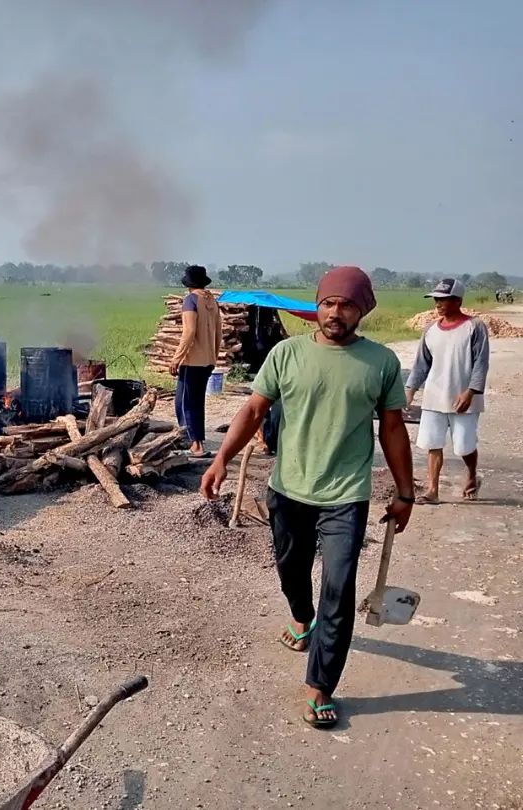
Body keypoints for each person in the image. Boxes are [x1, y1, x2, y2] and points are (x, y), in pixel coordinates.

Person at [200, 265, 414, 729]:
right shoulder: (287, 353)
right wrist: (221, 460)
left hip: (346, 495)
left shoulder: (381, 363)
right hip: (288, 488)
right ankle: (301, 617)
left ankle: (320, 684)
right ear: (317, 306)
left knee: (338, 587)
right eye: (328, 303)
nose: (336, 313)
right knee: (291, 568)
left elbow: (394, 429)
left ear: (363, 310)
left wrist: (405, 492)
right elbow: (254, 409)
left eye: (347, 305)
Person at [405, 278, 489, 504]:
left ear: (458, 300)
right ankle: (432, 490)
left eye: (443, 299)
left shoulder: (475, 327)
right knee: (433, 443)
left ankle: (471, 474)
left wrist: (471, 392)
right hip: (434, 396)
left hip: (464, 399)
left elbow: (481, 363)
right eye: (436, 299)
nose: (438, 304)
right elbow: (422, 364)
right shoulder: (430, 330)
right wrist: (410, 390)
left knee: (464, 445)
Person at [168, 265, 222, 457]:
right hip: (207, 361)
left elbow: (189, 332)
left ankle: (196, 446)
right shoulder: (212, 301)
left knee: (184, 403)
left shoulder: (190, 300)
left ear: (189, 284)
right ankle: (197, 441)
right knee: (197, 402)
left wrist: (176, 358)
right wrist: (213, 357)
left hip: (192, 362)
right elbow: (219, 333)